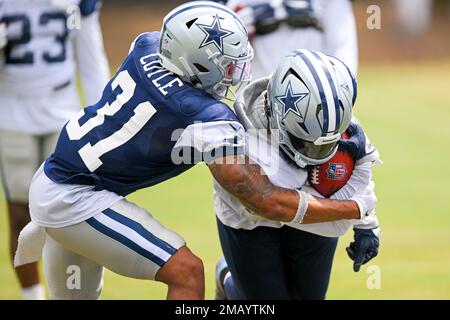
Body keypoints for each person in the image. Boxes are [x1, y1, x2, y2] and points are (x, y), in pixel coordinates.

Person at [15, 1, 371, 300]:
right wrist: (355, 208)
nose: (237, 72)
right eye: (228, 65)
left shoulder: (146, 46)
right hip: (74, 199)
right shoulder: (206, 118)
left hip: (56, 179)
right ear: (197, 65)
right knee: (186, 272)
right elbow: (265, 200)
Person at [213, 50, 381, 300]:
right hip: (250, 220)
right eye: (308, 144)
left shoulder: (327, 115)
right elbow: (274, 205)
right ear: (278, 117)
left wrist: (368, 223)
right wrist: (357, 210)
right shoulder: (239, 140)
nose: (319, 154)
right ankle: (228, 278)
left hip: (313, 213)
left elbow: (359, 165)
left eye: (326, 145)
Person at [0, 0, 110, 299]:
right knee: (21, 214)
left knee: (71, 212)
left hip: (63, 112)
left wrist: (103, 118)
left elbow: (91, 55)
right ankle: (32, 296)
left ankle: (74, 294)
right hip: (11, 112)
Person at [214, 0, 358, 76]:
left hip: (315, 90)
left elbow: (342, 45)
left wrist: (339, 90)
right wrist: (231, 32)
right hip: (256, 95)